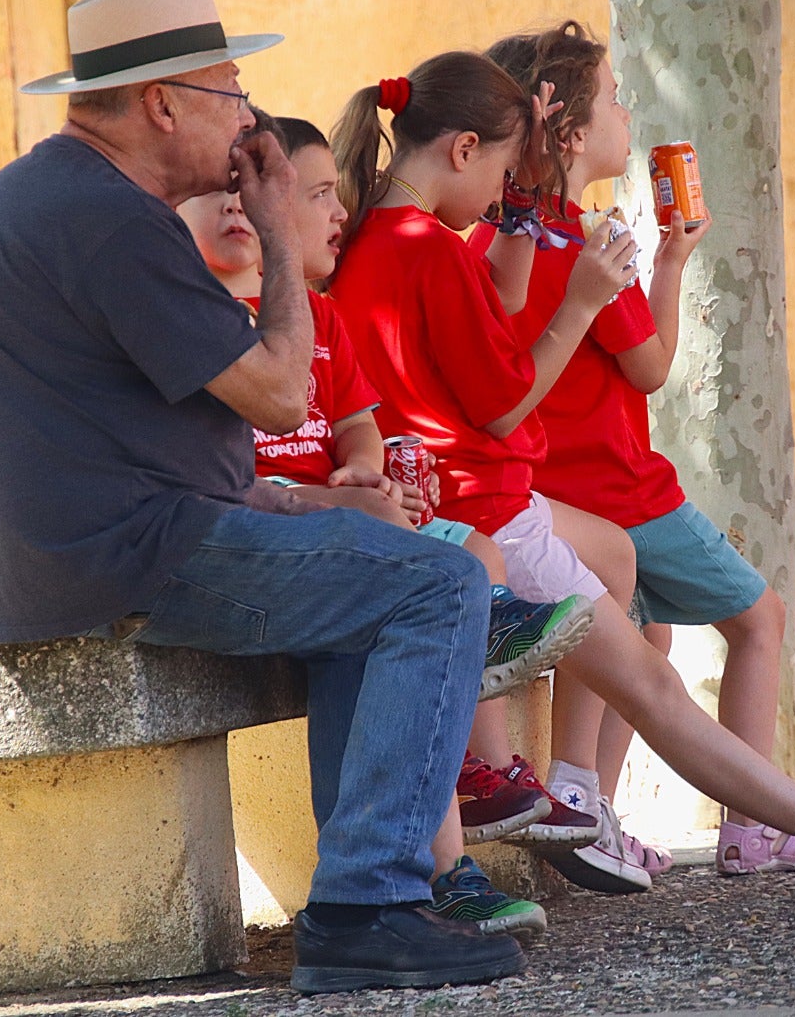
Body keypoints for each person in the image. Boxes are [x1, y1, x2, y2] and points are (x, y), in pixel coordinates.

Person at [0, 0, 527, 994]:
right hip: (122, 561)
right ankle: (368, 905)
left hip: (92, 547)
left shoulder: (61, 197)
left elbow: (162, 443)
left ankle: (366, 898)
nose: (248, 114)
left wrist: (319, 506)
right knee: (438, 585)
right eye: (231, 89)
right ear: (162, 103)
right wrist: (282, 226)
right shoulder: (107, 218)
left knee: (381, 584)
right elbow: (279, 393)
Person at [326, 49, 795, 900]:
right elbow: (506, 405)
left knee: (624, 588)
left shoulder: (382, 233)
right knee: (657, 689)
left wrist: (519, 214)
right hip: (492, 507)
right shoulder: (430, 251)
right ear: (462, 149)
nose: (502, 193)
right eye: (502, 173)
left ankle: (596, 796)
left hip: (467, 505)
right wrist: (585, 299)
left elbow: (497, 305)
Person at [179, 111, 598, 939]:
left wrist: (364, 470)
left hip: (335, 533)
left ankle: (439, 861)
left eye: (253, 193)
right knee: (429, 604)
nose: (340, 213)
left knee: (455, 571)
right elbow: (228, 489)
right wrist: (347, 504)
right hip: (260, 549)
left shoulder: (316, 321)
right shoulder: (192, 324)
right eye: (319, 195)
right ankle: (448, 839)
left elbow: (357, 422)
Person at [472, 21, 795, 886]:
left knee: (644, 636)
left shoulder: (491, 243)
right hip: (627, 495)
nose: (628, 114)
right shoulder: (583, 240)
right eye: (615, 100)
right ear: (572, 136)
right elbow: (653, 368)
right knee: (760, 621)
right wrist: (670, 262)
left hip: (549, 501)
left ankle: (592, 818)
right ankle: (751, 824)